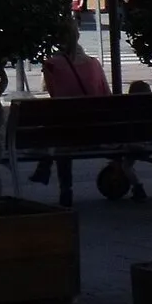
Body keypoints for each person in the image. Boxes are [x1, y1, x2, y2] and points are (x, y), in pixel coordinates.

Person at [31, 17, 110, 185]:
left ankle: (62, 185)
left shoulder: (52, 65)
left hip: (68, 134)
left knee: (58, 130)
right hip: (98, 131)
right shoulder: (94, 64)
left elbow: (52, 94)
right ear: (78, 36)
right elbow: (107, 96)